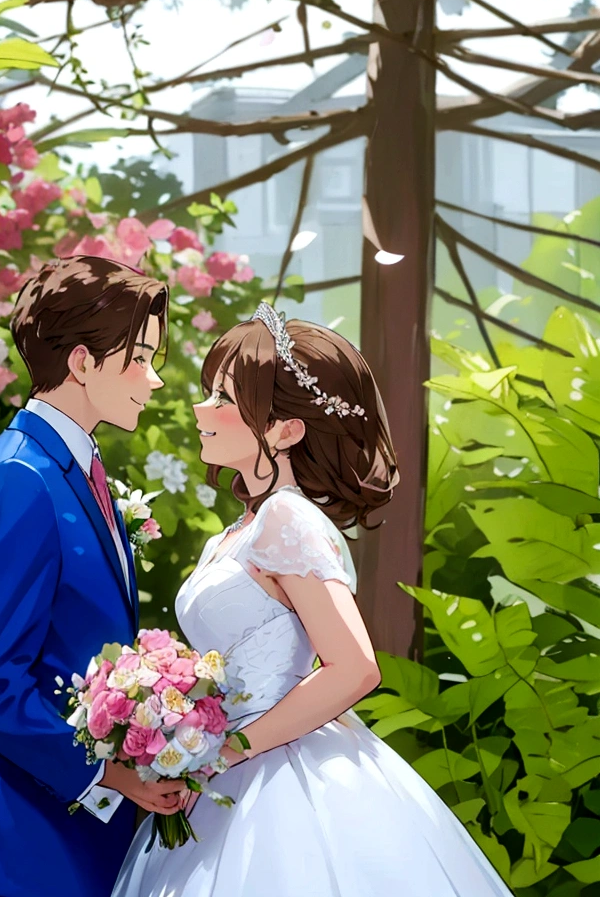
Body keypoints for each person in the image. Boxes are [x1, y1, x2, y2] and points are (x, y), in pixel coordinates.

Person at [112, 303, 514, 897]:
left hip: (282, 774)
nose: (202, 410)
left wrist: (226, 750)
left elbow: (354, 667)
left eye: (223, 398)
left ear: (285, 429)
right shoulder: (244, 528)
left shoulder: (286, 517)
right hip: (236, 769)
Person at [0, 256, 189, 897]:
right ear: (83, 364)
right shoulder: (21, 480)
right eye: (139, 359)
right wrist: (116, 774)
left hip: (55, 841)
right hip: (12, 845)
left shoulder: (71, 469)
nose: (152, 382)